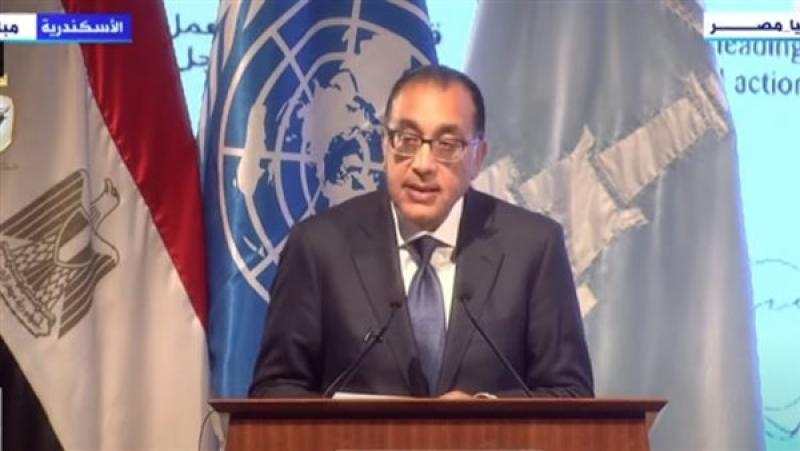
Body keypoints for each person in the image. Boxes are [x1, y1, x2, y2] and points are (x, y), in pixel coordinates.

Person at [249, 65, 593, 398]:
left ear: (478, 157)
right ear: (385, 145)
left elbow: (570, 393)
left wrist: (485, 413)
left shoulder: (533, 247)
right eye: (407, 140)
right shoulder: (318, 247)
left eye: (447, 145)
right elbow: (275, 390)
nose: (423, 165)